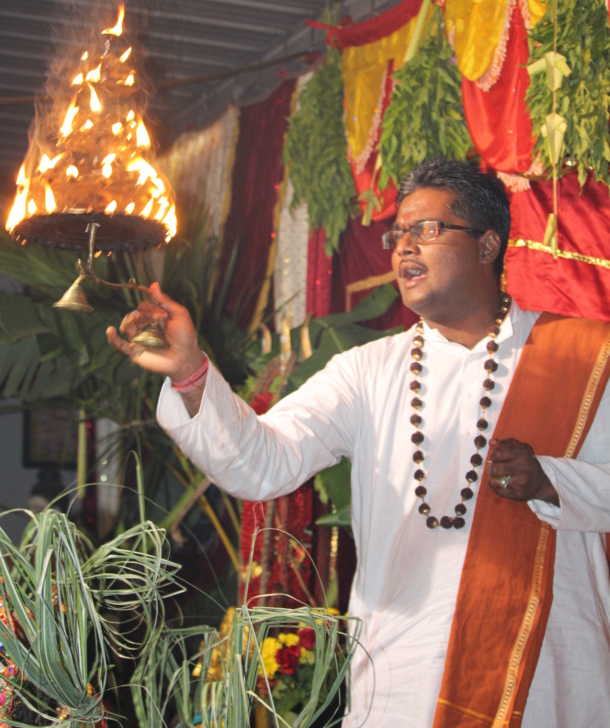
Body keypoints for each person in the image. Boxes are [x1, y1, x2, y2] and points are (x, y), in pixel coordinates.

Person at [107, 158, 610, 728]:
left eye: (427, 229)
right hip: (404, 683)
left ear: (488, 244)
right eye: (397, 233)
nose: (402, 248)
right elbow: (262, 465)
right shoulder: (366, 372)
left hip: (547, 679)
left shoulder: (586, 358)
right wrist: (192, 373)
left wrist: (552, 481)